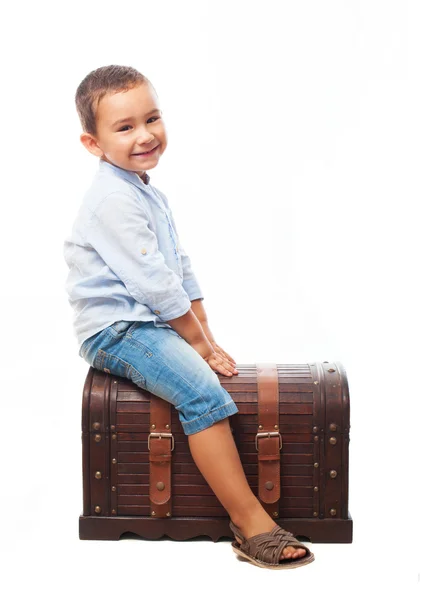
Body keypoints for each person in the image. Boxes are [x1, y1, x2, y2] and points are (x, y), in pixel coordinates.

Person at [63, 64, 314, 569]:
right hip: (116, 330)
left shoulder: (147, 191)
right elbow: (154, 285)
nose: (146, 135)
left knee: (208, 372)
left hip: (148, 322)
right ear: (93, 143)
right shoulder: (112, 198)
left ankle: (248, 516)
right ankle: (250, 522)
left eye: (152, 118)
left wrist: (207, 336)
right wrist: (196, 348)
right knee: (202, 392)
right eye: (125, 127)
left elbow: (179, 269)